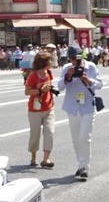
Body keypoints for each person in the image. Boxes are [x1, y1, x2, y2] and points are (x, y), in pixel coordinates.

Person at [58, 45, 103, 180]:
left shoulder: (91, 67)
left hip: (87, 106)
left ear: (81, 56)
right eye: (71, 58)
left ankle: (85, 167)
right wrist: (68, 76)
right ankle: (80, 164)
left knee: (84, 137)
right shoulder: (67, 68)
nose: (74, 61)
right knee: (76, 139)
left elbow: (100, 84)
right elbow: (60, 87)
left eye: (76, 58)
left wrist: (87, 80)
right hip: (72, 107)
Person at [24, 52, 55, 168]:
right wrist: (40, 90)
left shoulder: (49, 73)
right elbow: (27, 92)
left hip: (48, 107)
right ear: (44, 63)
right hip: (35, 109)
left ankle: (46, 159)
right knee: (35, 134)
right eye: (49, 60)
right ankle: (33, 157)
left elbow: (49, 87)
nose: (51, 62)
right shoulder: (33, 75)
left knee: (50, 133)